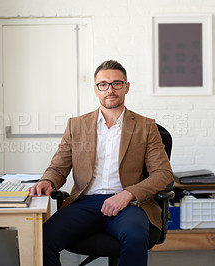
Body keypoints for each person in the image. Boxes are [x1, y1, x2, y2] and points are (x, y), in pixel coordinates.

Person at [29, 60, 173, 266]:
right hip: (85, 203)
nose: (110, 90)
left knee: (135, 236)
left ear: (127, 87)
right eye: (103, 84)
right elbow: (58, 167)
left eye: (116, 83)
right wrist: (48, 181)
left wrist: (128, 194)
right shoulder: (77, 125)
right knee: (43, 239)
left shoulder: (146, 126)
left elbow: (163, 174)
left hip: (128, 204)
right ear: (96, 90)